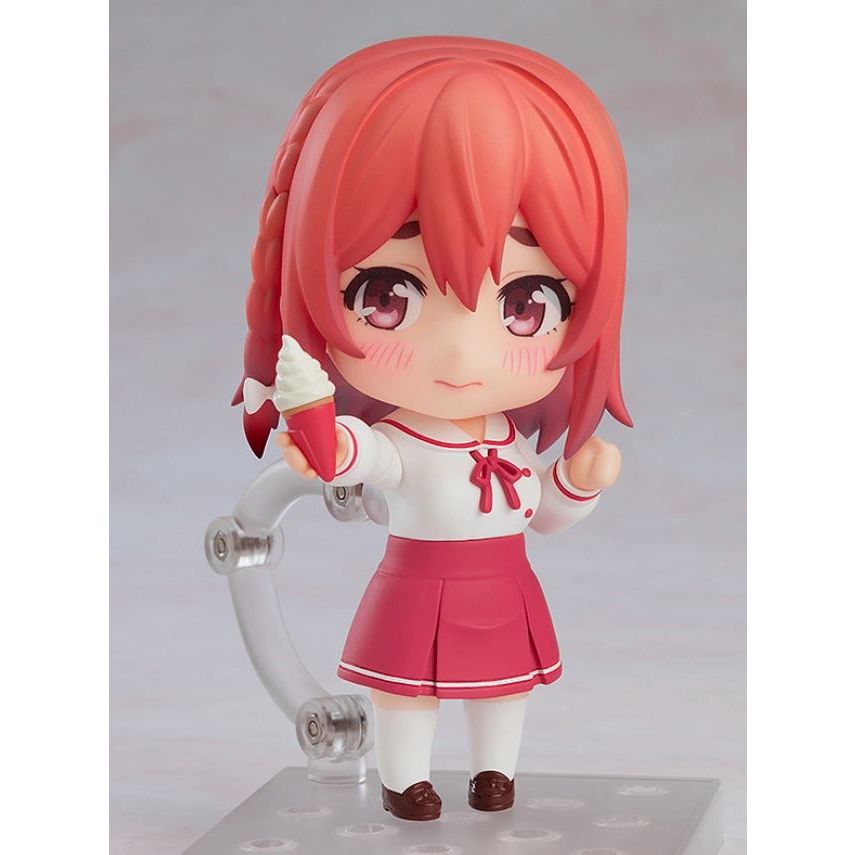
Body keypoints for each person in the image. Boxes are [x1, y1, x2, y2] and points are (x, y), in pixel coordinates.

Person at [235, 35, 631, 821]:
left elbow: (541, 512)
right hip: (417, 583)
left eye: (526, 305)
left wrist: (575, 484)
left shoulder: (504, 439)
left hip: (506, 582)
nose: (461, 353)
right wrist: (315, 432)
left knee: (504, 689)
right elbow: (355, 455)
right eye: (387, 294)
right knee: (406, 691)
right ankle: (404, 778)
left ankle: (494, 774)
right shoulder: (407, 442)